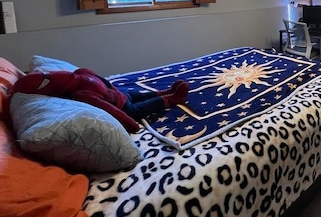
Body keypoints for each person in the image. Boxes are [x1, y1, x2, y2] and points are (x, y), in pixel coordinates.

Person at [11, 68, 189, 132]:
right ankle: (170, 98)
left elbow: (100, 80)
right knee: (138, 108)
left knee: (134, 94)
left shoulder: (80, 82)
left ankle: (162, 92)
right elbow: (108, 108)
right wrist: (132, 125)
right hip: (121, 103)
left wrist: (113, 88)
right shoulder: (81, 92)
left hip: (119, 94)